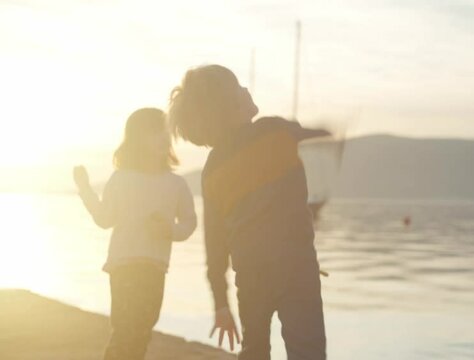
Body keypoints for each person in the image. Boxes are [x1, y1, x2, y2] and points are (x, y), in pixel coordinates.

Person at [168, 65, 329, 359]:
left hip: (251, 276)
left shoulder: (212, 170)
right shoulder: (274, 130)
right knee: (308, 351)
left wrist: (220, 304)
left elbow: (215, 246)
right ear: (231, 105)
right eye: (239, 87)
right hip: (296, 267)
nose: (246, 90)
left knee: (254, 349)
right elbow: (323, 138)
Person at [73, 107, 197, 360]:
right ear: (137, 139)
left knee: (142, 331)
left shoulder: (176, 184)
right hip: (124, 267)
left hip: (155, 268)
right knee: (125, 331)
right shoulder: (122, 178)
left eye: (166, 131)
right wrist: (85, 189)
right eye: (154, 132)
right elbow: (104, 219)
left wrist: (169, 230)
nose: (163, 137)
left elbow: (189, 222)